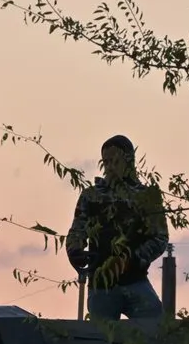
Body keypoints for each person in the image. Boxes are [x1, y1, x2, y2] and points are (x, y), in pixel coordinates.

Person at [65, 135, 169, 320]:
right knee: (101, 335)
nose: (110, 166)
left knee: (156, 329)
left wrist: (136, 259)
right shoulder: (91, 196)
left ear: (129, 161)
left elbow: (160, 238)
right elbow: (77, 231)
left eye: (115, 161)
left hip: (136, 281)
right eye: (105, 162)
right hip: (101, 285)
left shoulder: (146, 196)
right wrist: (75, 251)